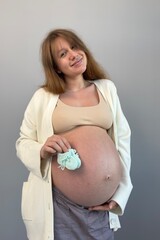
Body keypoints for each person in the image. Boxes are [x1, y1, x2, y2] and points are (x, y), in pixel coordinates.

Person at [16, 28, 133, 240]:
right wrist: (41, 149)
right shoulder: (42, 97)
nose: (73, 54)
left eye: (75, 47)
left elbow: (123, 141)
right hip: (59, 206)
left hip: (100, 207)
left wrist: (121, 194)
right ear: (56, 68)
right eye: (63, 54)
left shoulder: (107, 89)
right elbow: (23, 142)